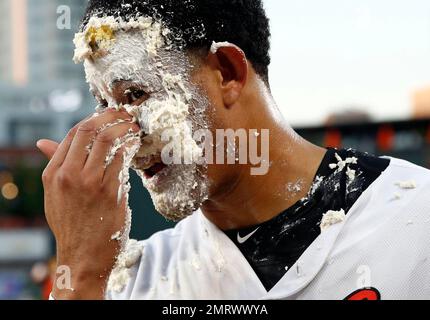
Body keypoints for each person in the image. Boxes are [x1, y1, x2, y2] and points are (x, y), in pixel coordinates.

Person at [37, 0, 430, 300]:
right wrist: (81, 274)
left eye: (136, 94)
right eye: (104, 106)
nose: (123, 136)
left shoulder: (416, 220)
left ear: (228, 71)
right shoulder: (134, 282)